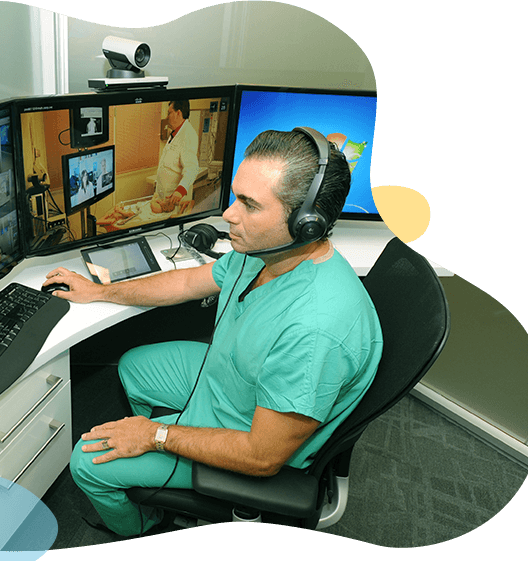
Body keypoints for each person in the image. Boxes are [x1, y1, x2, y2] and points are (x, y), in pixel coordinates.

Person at [43, 129, 383, 536]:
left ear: (307, 224)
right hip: (236, 381)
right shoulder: (263, 252)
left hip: (250, 434)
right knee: (135, 367)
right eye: (236, 196)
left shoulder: (315, 330)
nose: (228, 215)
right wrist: (101, 291)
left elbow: (262, 456)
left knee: (87, 462)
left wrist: (157, 435)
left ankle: (140, 524)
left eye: (249, 205)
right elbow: (186, 284)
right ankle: (151, 464)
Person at [150, 100, 199, 214]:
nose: (167, 117)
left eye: (169, 113)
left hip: (172, 200)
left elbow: (192, 169)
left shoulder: (188, 135)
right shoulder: (175, 133)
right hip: (162, 197)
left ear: (178, 113)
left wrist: (180, 191)